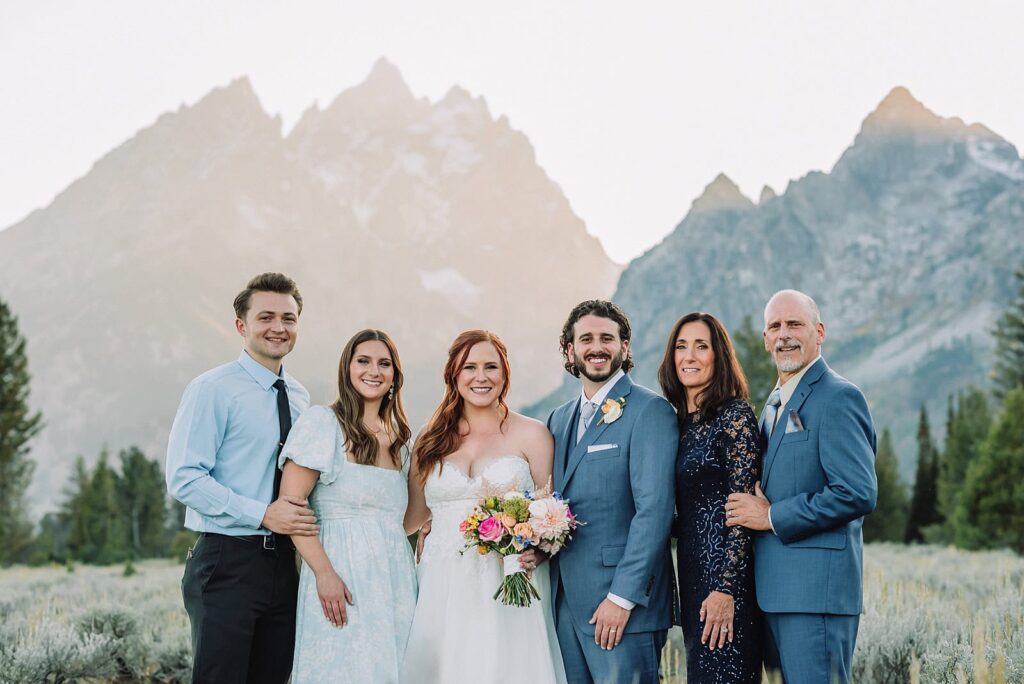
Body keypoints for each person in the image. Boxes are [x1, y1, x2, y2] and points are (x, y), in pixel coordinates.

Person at [166, 272, 317, 684]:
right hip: (226, 561)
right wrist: (262, 514)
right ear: (241, 326)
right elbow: (184, 478)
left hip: (284, 566)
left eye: (288, 318)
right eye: (265, 317)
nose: (278, 328)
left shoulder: (300, 397)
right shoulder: (212, 389)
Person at [726, 289, 877, 683]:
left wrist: (771, 516)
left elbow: (857, 492)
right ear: (764, 339)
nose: (784, 335)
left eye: (795, 324)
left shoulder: (839, 398)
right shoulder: (774, 403)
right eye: (775, 326)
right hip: (772, 596)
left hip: (816, 598)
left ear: (819, 332)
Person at [401, 330, 567, 684]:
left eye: (491, 367)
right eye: (469, 367)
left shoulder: (533, 434)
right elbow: (412, 517)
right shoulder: (429, 439)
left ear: (505, 374)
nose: (481, 377)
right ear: (453, 375)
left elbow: (551, 513)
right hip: (441, 581)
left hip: (509, 580)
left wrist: (538, 550)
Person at [544, 300, 678, 684]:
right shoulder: (559, 418)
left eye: (607, 338)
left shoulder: (650, 411)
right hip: (566, 604)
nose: (596, 347)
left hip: (622, 608)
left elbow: (654, 512)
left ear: (625, 347)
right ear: (570, 350)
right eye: (586, 338)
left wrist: (621, 599)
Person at [277, 329, 417, 683]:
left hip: (394, 580)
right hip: (339, 574)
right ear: (347, 369)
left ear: (394, 377)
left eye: (384, 364)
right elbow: (291, 508)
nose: (374, 371)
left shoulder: (401, 440)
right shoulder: (322, 423)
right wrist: (324, 573)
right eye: (364, 361)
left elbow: (407, 519)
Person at [656, 312, 762, 683]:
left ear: (718, 355)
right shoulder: (678, 425)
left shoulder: (734, 416)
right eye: (681, 347)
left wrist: (726, 590)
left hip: (725, 584)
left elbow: (744, 511)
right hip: (691, 575)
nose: (689, 356)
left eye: (701, 346)